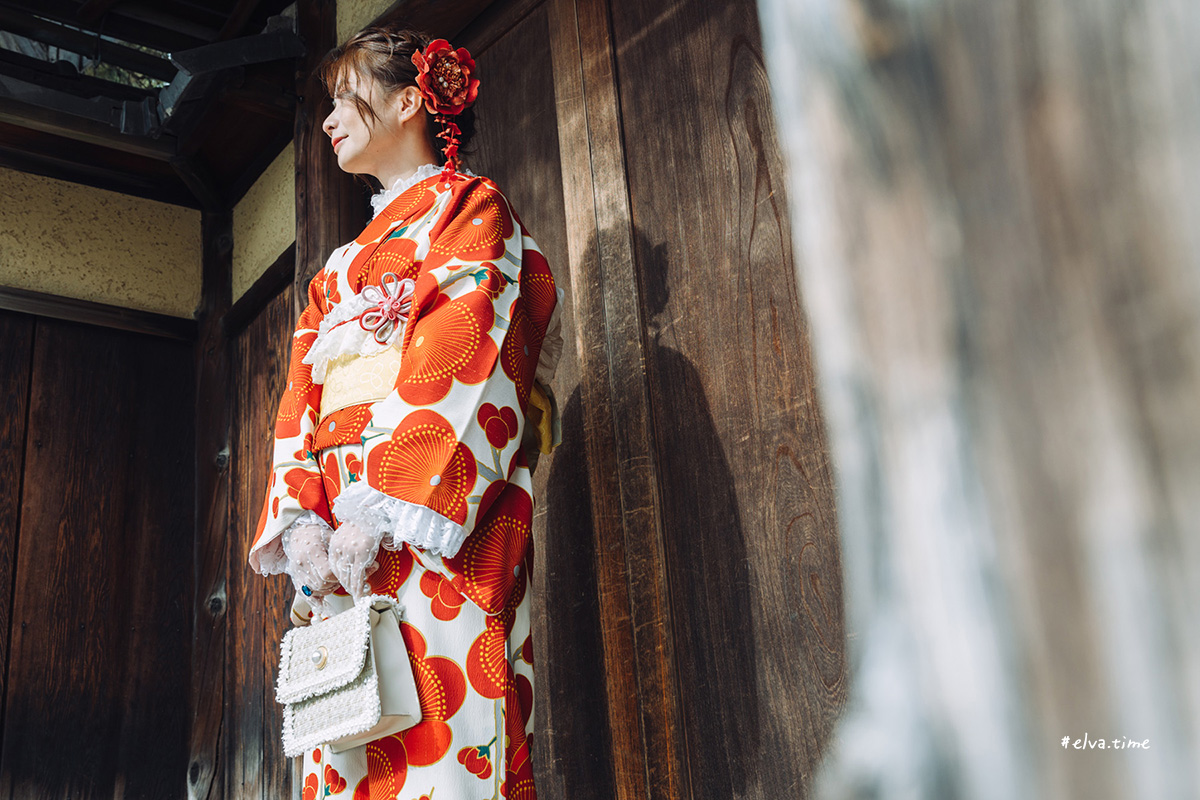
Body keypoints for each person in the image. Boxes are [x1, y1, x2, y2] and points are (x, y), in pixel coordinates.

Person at [246, 24, 563, 800]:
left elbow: (466, 346)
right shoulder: (338, 268)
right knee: (347, 730)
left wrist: (379, 508)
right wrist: (308, 529)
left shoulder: (469, 210)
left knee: (443, 732)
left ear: (412, 101)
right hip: (339, 549)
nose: (327, 122)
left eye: (345, 100)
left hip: (428, 529)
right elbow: (302, 400)